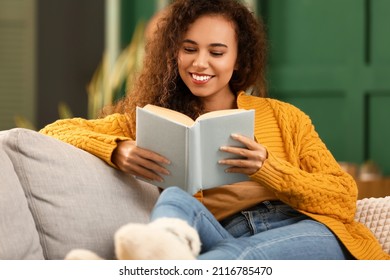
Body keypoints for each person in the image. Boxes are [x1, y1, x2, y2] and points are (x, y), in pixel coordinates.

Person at [40, 0, 389, 260]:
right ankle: (165, 246)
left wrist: (269, 169)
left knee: (246, 259)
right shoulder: (148, 120)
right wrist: (119, 149)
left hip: (304, 229)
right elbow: (56, 130)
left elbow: (343, 196)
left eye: (217, 52)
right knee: (177, 199)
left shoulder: (285, 117)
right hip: (220, 231)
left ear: (238, 58)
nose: (200, 63)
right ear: (173, 54)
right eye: (188, 49)